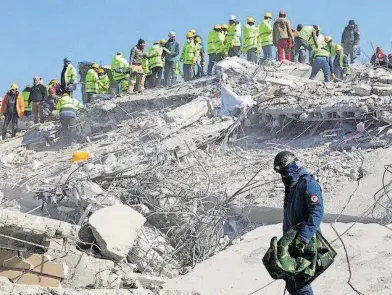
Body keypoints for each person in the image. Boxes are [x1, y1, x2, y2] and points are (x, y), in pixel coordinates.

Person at [273, 151, 324, 295]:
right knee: (290, 282)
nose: (283, 176)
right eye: (281, 173)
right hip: (292, 241)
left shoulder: (307, 184)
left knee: (302, 283)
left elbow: (317, 212)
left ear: (294, 166)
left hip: (305, 242)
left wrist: (303, 237)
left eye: (285, 172)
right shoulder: (291, 186)